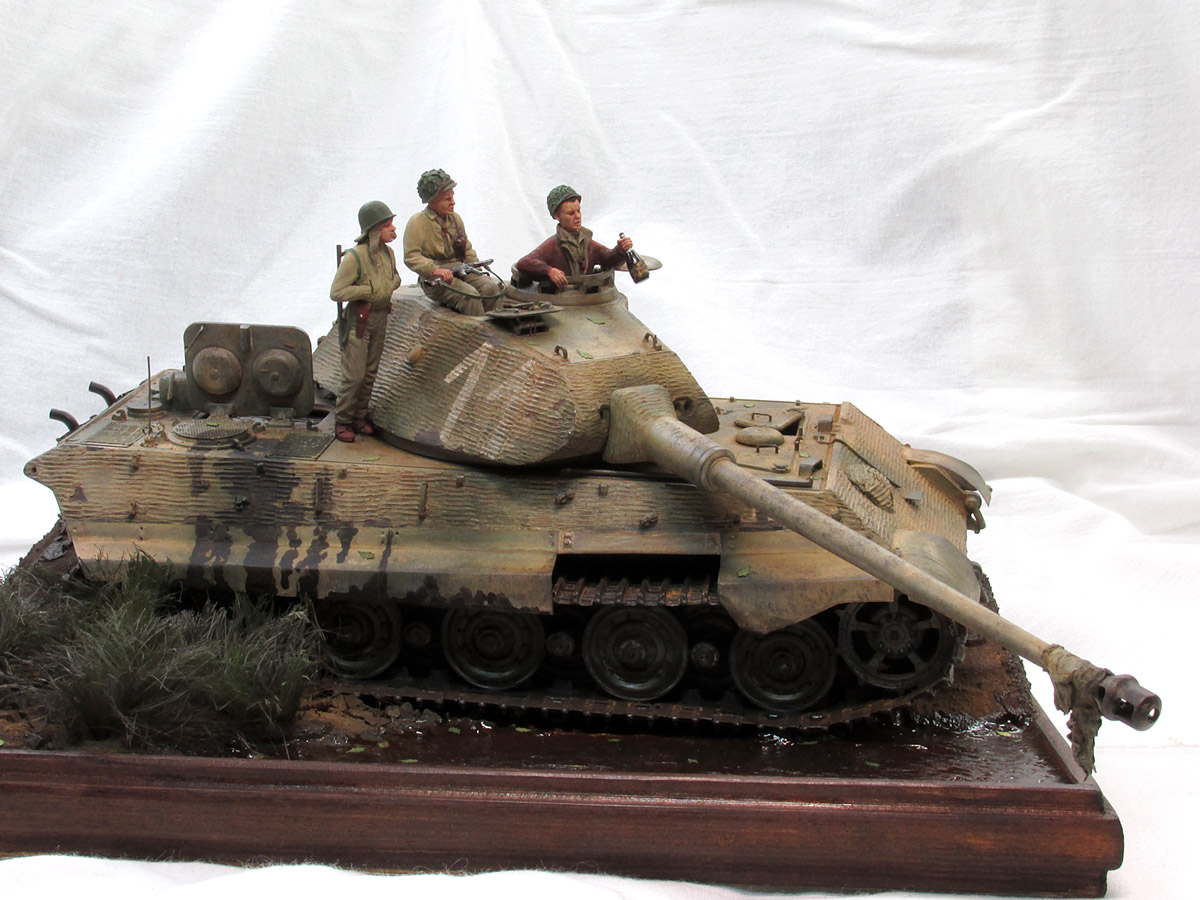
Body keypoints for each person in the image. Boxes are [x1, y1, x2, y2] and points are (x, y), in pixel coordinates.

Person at [329, 200, 402, 443]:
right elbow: (337, 292)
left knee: (370, 372)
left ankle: (360, 416)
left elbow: (396, 278)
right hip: (360, 321)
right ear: (374, 229)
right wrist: (367, 290)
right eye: (388, 225)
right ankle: (343, 420)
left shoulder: (388, 253)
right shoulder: (354, 258)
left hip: (380, 317)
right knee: (354, 375)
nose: (393, 229)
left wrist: (388, 286)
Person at [402, 169, 503, 316]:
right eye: (447, 199)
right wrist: (434, 270)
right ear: (433, 200)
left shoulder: (455, 219)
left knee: (491, 288)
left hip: (461, 269)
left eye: (452, 197)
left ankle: (497, 326)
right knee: (470, 296)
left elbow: (466, 249)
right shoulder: (418, 221)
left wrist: (477, 269)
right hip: (435, 279)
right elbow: (412, 256)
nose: (453, 202)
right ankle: (476, 329)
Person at [515, 185, 634, 288]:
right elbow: (524, 263)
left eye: (578, 211)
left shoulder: (587, 242)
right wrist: (549, 271)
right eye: (571, 213)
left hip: (588, 299)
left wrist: (620, 250)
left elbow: (608, 259)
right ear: (557, 216)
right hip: (562, 299)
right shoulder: (552, 245)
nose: (577, 216)